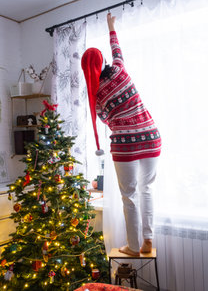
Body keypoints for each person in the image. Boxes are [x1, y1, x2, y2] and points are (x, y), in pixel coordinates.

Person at [81, 13, 161, 256]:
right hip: (150, 135)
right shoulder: (119, 68)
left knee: (130, 196)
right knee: (147, 189)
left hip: (125, 144)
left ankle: (134, 247)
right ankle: (148, 240)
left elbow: (106, 120)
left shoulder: (95, 96)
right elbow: (116, 47)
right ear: (104, 61)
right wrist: (110, 26)